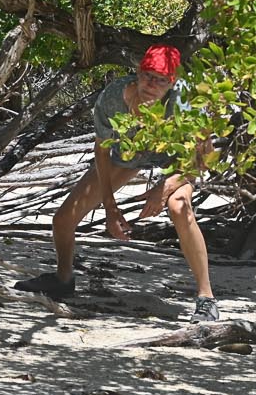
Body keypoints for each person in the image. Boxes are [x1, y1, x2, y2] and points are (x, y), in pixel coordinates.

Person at [29, 44, 216, 319]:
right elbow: (102, 151)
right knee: (63, 219)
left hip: (177, 160)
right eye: (147, 76)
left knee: (179, 206)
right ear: (137, 73)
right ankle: (63, 279)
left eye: (161, 79)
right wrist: (109, 206)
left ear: (172, 82)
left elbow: (205, 156)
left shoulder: (185, 100)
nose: (151, 84)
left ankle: (206, 297)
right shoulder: (114, 97)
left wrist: (163, 188)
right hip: (130, 153)